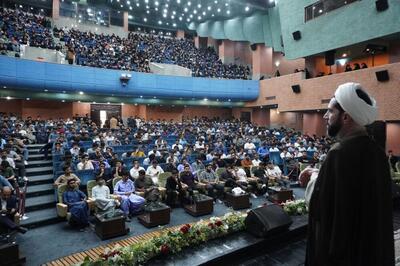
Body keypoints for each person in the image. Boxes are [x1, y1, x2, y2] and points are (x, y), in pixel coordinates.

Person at [305, 82, 394, 266]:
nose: (325, 116)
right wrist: (321, 172)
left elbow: (321, 206)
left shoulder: (339, 153)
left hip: (345, 255)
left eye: (330, 111)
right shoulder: (377, 152)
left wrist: (314, 177)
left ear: (345, 117)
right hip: (370, 251)